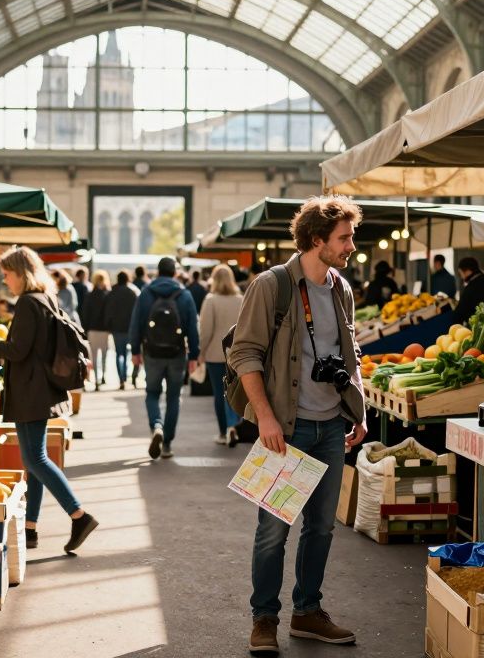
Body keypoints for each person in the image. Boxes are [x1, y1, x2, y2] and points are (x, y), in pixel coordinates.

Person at [229, 195, 368, 653]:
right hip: (286, 430)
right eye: (344, 238)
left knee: (322, 528)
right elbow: (245, 353)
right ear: (316, 240)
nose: (351, 246)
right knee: (274, 531)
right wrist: (266, 418)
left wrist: (359, 409)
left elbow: (351, 354)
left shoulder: (341, 289)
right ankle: (264, 619)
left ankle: (307, 611)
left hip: (332, 427)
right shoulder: (273, 285)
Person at [0, 247, 98, 554]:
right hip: (39, 389)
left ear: (20, 273)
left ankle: (79, 515)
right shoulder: (45, 298)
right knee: (33, 461)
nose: (5, 280)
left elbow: (18, 350)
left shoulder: (27, 302)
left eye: (7, 274)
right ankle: (30, 527)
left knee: (35, 459)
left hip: (30, 390)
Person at [129, 257, 200, 460]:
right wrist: (193, 356)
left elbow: (136, 324)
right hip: (177, 353)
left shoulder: (146, 293)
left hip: (152, 352)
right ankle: (167, 443)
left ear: (158, 271)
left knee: (152, 393)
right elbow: (192, 328)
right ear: (175, 273)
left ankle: (156, 426)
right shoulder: (184, 295)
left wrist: (135, 351)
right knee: (173, 397)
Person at [197, 265, 243, 446]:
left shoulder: (210, 300)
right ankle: (235, 425)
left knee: (219, 393)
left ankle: (224, 432)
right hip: (237, 353)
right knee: (237, 392)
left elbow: (205, 331)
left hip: (215, 354)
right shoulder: (241, 299)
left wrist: (201, 352)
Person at [106, 271, 141, 390]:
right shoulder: (132, 292)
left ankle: (121, 379)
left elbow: (109, 311)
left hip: (116, 327)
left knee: (119, 353)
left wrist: (109, 325)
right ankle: (128, 376)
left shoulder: (112, 292)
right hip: (129, 327)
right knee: (128, 353)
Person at [82, 271, 113, 389]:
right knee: (104, 355)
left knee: (94, 356)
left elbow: (85, 313)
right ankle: (103, 376)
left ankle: (95, 379)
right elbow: (109, 314)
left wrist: (85, 329)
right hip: (104, 329)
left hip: (92, 329)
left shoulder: (89, 295)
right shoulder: (107, 295)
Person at [452, 257, 484, 325]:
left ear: (468, 271)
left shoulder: (471, 288)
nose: (462, 277)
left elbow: (459, 313)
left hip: (477, 326)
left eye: (460, 273)